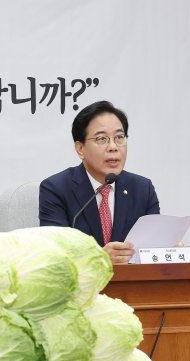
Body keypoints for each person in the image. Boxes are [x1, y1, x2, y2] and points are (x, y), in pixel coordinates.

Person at [39, 100, 160, 264]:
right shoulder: (56, 189)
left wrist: (167, 249)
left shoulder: (142, 189)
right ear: (80, 149)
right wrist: (99, 258)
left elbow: (152, 249)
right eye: (102, 139)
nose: (113, 147)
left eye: (119, 137)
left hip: (133, 281)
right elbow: (54, 255)